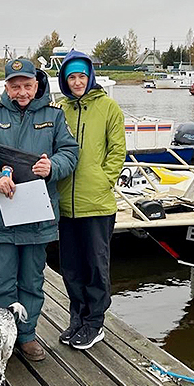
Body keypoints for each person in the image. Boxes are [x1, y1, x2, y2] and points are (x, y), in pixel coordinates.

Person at [0, 58, 78, 361]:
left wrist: (53, 166)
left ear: (36, 86)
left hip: (38, 217)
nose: (21, 91)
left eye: (27, 85)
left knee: (32, 281)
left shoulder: (54, 117)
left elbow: (70, 152)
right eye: (15, 86)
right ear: (6, 87)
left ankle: (26, 336)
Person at [56, 51, 126, 349]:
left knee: (96, 265)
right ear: (64, 80)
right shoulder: (60, 110)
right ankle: (78, 317)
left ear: (90, 77)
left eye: (82, 76)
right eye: (71, 77)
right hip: (65, 204)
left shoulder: (108, 108)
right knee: (71, 266)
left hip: (96, 203)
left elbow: (117, 151)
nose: (77, 82)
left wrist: (104, 180)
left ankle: (95, 322)